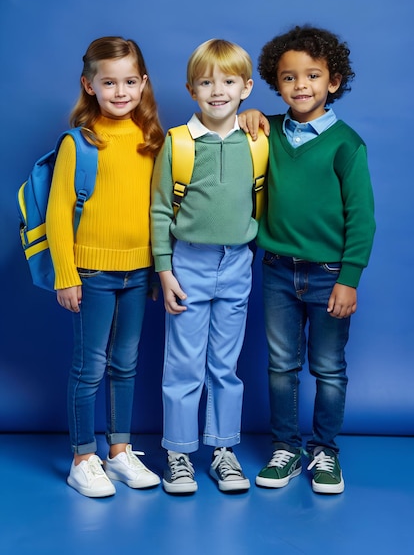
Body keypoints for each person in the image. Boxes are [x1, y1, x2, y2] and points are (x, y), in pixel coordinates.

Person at [239, 25, 375, 494]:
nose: (301, 86)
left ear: (333, 82)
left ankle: (325, 452)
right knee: (281, 366)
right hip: (277, 270)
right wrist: (248, 114)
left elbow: (362, 219)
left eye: (312, 76)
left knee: (329, 368)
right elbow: (240, 137)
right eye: (289, 77)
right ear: (277, 84)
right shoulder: (266, 131)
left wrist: (349, 278)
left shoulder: (346, 144)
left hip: (329, 275)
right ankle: (286, 448)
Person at [46, 36, 165, 497]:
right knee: (88, 367)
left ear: (143, 83)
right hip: (91, 274)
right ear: (88, 85)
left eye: (130, 81)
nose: (120, 91)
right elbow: (58, 213)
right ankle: (83, 456)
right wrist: (66, 274)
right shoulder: (80, 142)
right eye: (109, 82)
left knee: (126, 364)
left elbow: (157, 209)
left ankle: (119, 453)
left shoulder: (152, 140)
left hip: (138, 274)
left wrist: (155, 270)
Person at [151, 39, 258, 494]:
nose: (218, 90)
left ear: (246, 87)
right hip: (188, 263)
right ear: (191, 89)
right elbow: (158, 211)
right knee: (184, 364)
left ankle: (223, 450)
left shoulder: (258, 140)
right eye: (206, 82)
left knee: (225, 366)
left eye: (229, 81)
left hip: (238, 263)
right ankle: (178, 453)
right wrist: (164, 269)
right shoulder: (176, 143)